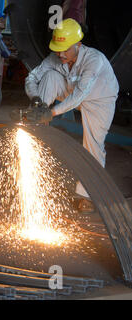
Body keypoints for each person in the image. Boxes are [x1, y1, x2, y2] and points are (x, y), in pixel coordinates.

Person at [24, 18, 119, 213]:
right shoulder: (56, 57)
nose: (60, 53)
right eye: (58, 48)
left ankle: (86, 194)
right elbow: (32, 77)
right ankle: (37, 123)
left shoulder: (94, 60)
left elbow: (80, 95)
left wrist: (51, 113)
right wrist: (36, 101)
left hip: (99, 99)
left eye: (65, 49)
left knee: (93, 144)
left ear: (78, 44)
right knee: (50, 76)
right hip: (72, 89)